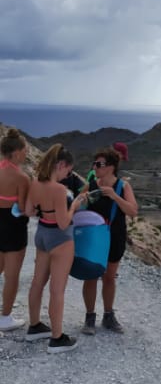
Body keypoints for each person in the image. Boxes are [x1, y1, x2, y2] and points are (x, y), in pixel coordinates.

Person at [23, 143, 85, 353]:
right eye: (68, 169)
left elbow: (29, 211)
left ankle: (34, 326)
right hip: (60, 239)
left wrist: (45, 212)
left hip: (41, 235)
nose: (68, 174)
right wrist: (74, 205)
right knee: (57, 290)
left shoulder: (34, 183)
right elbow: (63, 223)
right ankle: (57, 338)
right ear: (61, 165)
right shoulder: (60, 190)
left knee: (37, 282)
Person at [82, 146, 136, 334]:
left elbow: (133, 211)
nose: (95, 167)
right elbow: (80, 207)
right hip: (94, 238)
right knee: (90, 276)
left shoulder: (123, 187)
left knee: (109, 278)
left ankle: (108, 315)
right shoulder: (92, 185)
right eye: (94, 163)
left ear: (111, 167)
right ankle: (89, 317)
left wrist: (114, 196)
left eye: (99, 164)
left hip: (115, 237)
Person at [0, 129, 31, 331]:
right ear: (17, 152)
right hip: (13, 226)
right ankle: (5, 317)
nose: (27, 153)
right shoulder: (22, 177)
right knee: (12, 275)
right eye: (25, 150)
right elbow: (23, 207)